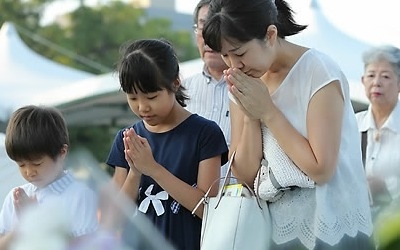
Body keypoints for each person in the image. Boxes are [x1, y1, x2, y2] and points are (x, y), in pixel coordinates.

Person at [202, 0, 374, 249]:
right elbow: (244, 174)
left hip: (332, 227)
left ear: (270, 34)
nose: (233, 65)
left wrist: (268, 111)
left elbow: (321, 169)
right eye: (225, 55)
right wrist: (251, 114)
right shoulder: (242, 80)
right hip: (274, 230)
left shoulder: (317, 71)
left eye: (239, 53)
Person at [106, 39, 228, 250]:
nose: (143, 107)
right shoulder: (127, 139)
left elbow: (207, 209)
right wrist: (135, 172)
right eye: (133, 98)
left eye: (152, 96)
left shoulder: (204, 134)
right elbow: (114, 220)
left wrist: (152, 169)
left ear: (175, 83)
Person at [0, 105, 98, 249]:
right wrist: (20, 227)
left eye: (37, 163)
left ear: (62, 152)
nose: (29, 172)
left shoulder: (81, 196)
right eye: (21, 165)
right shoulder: (16, 197)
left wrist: (36, 220)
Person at [183, 0, 231, 184]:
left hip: (241, 204)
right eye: (203, 25)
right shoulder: (181, 91)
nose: (209, 36)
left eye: (217, 25)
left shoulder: (256, 88)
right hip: (186, 204)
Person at [356, 45, 400, 222]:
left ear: (399, 84)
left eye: (386, 76)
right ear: (363, 80)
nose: (377, 82)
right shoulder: (351, 124)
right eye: (371, 75)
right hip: (357, 223)